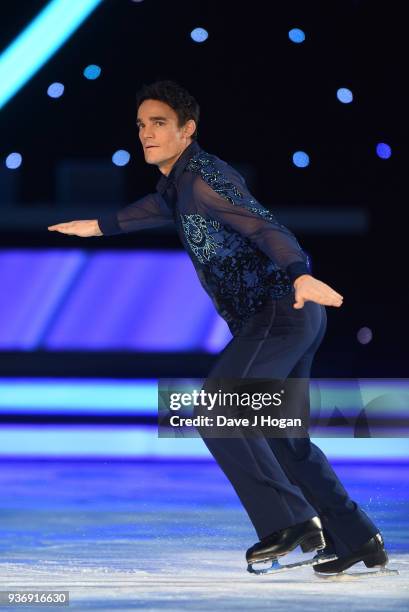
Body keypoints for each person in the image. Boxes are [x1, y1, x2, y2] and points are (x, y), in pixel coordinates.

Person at [48, 79, 388, 574]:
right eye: (142, 124)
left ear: (188, 130)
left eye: (159, 123)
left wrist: (301, 274)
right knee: (285, 439)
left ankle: (290, 520)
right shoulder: (177, 185)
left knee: (216, 409)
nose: (146, 133)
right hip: (288, 318)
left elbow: (266, 226)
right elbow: (151, 209)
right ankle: (359, 537)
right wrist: (99, 226)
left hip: (279, 311)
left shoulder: (204, 178)